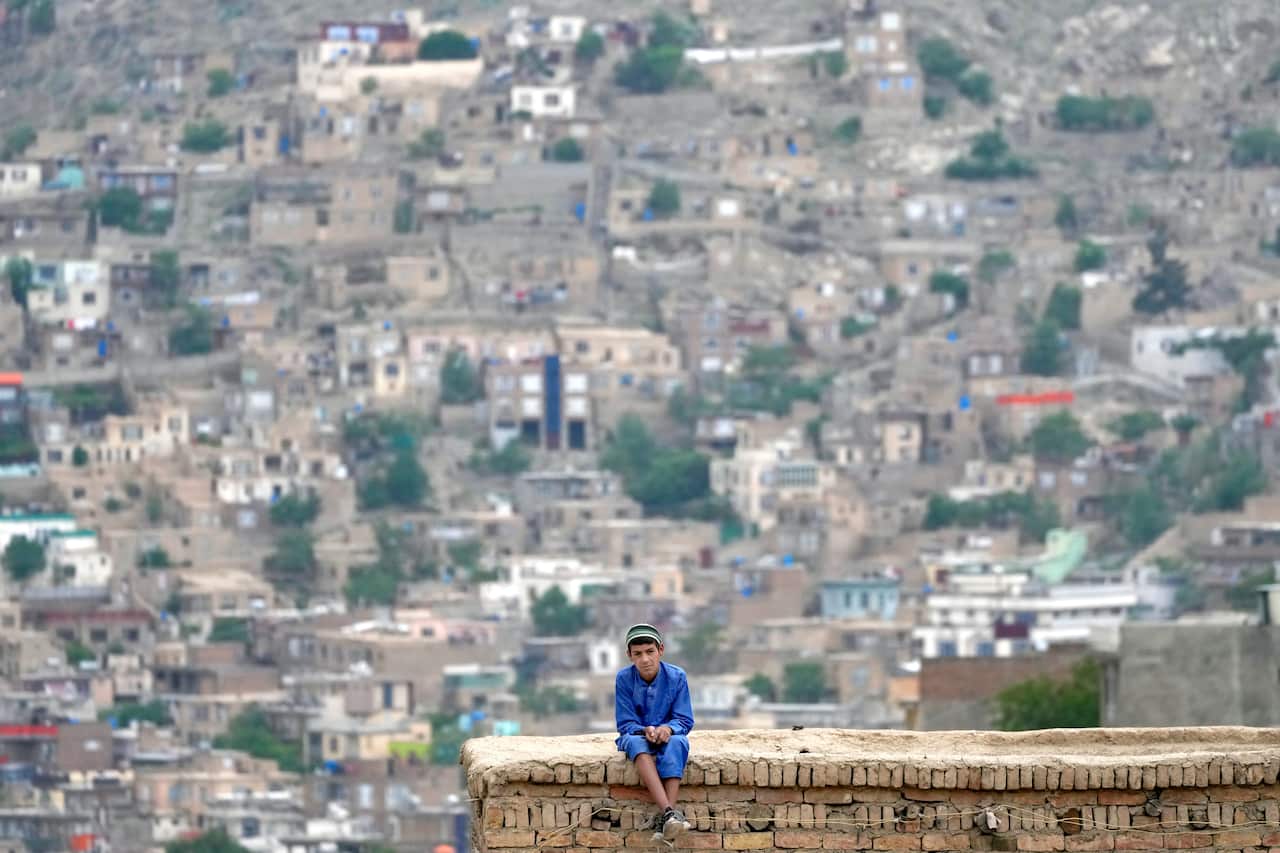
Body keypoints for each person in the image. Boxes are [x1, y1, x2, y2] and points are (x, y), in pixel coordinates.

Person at [615, 623, 695, 841]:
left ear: (661, 650)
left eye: (650, 652)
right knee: (635, 744)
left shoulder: (677, 677)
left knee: (677, 744)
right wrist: (644, 729)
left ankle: (666, 818)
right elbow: (625, 722)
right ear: (629, 655)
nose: (645, 659)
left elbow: (685, 719)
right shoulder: (623, 679)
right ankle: (669, 813)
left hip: (669, 736)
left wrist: (668, 728)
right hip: (639, 736)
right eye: (638, 654)